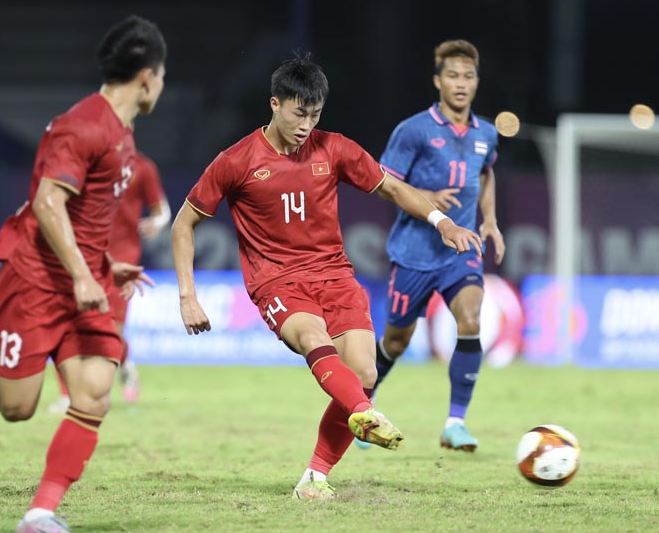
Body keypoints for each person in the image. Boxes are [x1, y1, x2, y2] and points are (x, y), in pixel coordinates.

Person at [171, 54, 482, 500]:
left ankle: (314, 478)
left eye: (315, 115)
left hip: (334, 276)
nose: (306, 125)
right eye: (299, 114)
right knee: (313, 338)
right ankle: (364, 415)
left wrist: (441, 222)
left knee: (365, 371)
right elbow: (184, 223)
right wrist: (187, 295)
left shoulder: (333, 148)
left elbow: (392, 186)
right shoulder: (236, 161)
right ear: (275, 104)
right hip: (276, 281)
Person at [0, 15, 166, 533]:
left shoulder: (124, 135)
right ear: (147, 77)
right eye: (162, 77)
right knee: (17, 408)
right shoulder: (83, 125)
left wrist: (103, 263)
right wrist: (82, 273)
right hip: (35, 280)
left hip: (86, 275)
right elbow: (49, 202)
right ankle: (2, 322)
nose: (161, 87)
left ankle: (39, 514)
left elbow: (87, 213)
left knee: (96, 390)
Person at [368, 39, 506, 453]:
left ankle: (455, 423)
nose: (460, 84)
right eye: (452, 76)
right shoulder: (413, 131)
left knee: (470, 317)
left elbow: (485, 176)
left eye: (468, 76)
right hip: (414, 253)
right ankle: (361, 404)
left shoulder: (487, 133)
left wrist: (491, 221)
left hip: (459, 251)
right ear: (437, 81)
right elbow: (383, 185)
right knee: (395, 342)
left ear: (476, 82)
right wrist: (427, 193)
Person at [48, 149, 171, 412]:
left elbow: (162, 210)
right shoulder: (86, 165)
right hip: (85, 255)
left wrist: (155, 223)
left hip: (124, 258)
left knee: (110, 331)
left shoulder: (142, 167)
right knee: (66, 322)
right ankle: (67, 395)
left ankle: (124, 362)